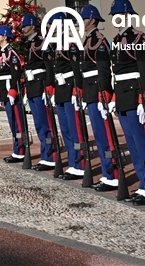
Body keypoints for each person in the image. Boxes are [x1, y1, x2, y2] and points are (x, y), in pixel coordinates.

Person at [109, 0, 145, 205]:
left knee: (143, 143)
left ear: (128, 15)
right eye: (114, 16)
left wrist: (144, 99)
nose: (116, 19)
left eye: (119, 15)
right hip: (122, 95)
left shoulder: (140, 38)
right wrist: (113, 98)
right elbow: (116, 73)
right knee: (132, 143)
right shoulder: (115, 40)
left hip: (136, 94)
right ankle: (143, 182)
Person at [79, 4, 119, 192]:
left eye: (84, 18)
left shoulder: (99, 41)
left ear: (92, 20)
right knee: (99, 136)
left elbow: (103, 70)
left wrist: (104, 94)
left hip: (98, 91)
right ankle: (107, 173)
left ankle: (113, 174)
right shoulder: (87, 40)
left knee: (105, 137)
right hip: (90, 91)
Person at [20, 13, 56, 171]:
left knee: (46, 123)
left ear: (33, 26)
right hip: (32, 86)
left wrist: (48, 86)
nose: (23, 28)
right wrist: (27, 91)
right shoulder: (28, 44)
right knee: (38, 124)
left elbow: (48, 66)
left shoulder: (42, 42)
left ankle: (50, 156)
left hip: (41, 86)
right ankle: (45, 155)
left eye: (26, 25)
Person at [53, 28, 84, 180]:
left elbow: (76, 67)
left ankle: (79, 163)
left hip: (70, 87)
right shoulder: (53, 45)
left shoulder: (71, 44)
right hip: (60, 89)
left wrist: (77, 90)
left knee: (74, 129)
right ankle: (73, 162)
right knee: (65, 129)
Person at [0, 26, 28, 163]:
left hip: (10, 89)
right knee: (12, 122)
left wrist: (13, 91)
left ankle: (20, 150)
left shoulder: (11, 53)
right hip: (5, 90)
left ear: (5, 36)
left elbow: (15, 74)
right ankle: (16, 149)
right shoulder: (1, 52)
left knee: (18, 121)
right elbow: (1, 76)